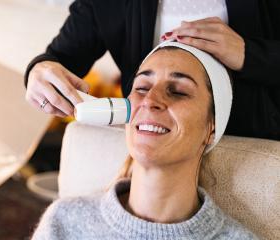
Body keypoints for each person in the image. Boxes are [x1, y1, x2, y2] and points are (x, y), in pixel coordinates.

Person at [30, 41, 259, 239]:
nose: (150, 100)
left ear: (212, 127)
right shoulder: (64, 223)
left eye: (178, 91)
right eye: (141, 87)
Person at [24, 0, 280, 141]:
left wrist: (249, 54)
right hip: (153, 142)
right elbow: (60, 59)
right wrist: (40, 71)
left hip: (258, 147)